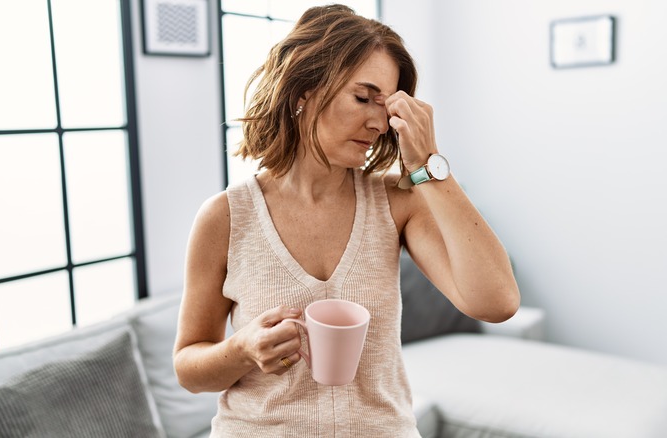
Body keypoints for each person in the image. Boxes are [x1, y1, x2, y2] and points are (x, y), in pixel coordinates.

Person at [174, 4, 520, 437]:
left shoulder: (397, 202)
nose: (378, 122)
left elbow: (497, 301)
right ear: (304, 91)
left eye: (388, 108)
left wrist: (429, 163)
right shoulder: (225, 217)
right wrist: (242, 350)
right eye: (362, 98)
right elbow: (189, 369)